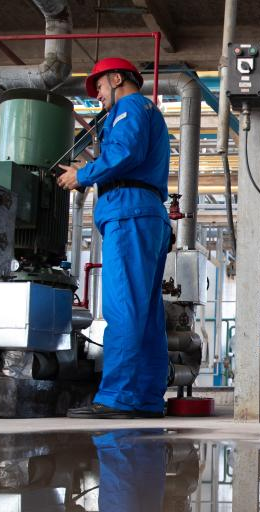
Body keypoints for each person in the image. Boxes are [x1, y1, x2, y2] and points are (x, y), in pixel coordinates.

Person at [58, 58, 171, 419]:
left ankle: (118, 397)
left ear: (117, 78)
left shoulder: (130, 107)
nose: (98, 97)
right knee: (147, 314)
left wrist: (83, 175)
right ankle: (146, 398)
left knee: (123, 307)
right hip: (145, 213)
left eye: (100, 87)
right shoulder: (145, 111)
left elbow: (125, 153)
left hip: (129, 213)